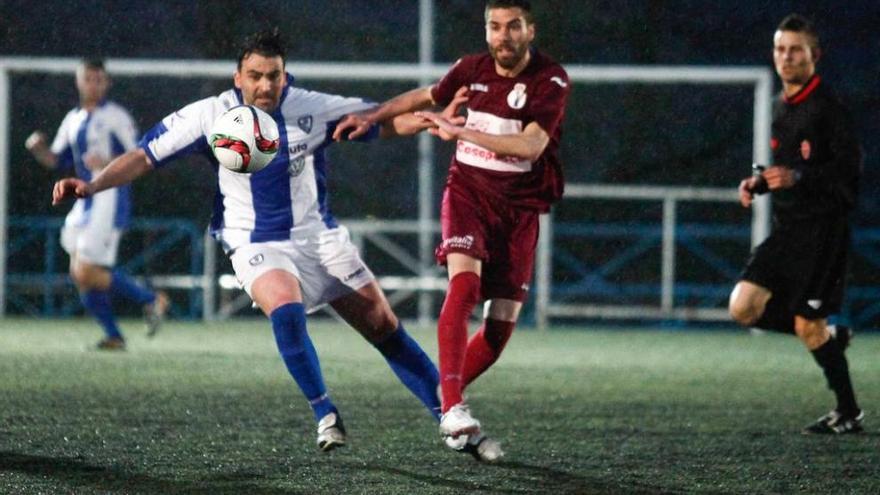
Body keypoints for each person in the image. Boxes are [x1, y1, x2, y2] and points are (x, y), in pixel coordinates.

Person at [52, 30, 453, 454]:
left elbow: (378, 120)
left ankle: (450, 414)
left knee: (383, 325)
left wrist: (428, 120)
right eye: (255, 75)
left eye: (274, 76)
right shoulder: (209, 115)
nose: (265, 85)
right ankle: (326, 413)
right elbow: (143, 155)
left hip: (318, 237)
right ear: (238, 77)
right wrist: (93, 185)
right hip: (252, 241)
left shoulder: (308, 106)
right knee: (286, 309)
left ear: (286, 75)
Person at [334, 0, 570, 459]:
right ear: (486, 31)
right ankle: (456, 405)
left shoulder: (550, 79)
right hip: (468, 194)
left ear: (530, 30)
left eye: (513, 26)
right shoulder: (471, 68)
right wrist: (372, 116)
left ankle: (445, 405)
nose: (503, 36)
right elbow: (424, 97)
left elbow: (531, 145)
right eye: (495, 27)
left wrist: (460, 132)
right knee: (464, 286)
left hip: (519, 209)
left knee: (499, 332)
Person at [729, 14, 864, 434]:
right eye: (780, 49)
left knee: (808, 326)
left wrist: (799, 177)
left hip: (824, 235)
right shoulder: (779, 108)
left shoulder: (830, 109)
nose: (786, 57)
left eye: (795, 50)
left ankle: (848, 411)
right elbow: (786, 170)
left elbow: (849, 177)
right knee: (743, 307)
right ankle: (830, 337)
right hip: (789, 232)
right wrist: (760, 183)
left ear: (814, 56)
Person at [26, 58, 169, 351]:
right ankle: (114, 335)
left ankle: (152, 300)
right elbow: (55, 160)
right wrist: (38, 149)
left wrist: (106, 162)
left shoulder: (116, 116)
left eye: (98, 79)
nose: (93, 84)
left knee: (87, 271)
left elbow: (139, 155)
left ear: (107, 83)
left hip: (109, 196)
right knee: (80, 274)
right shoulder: (72, 118)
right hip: (83, 200)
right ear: (79, 81)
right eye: (88, 78)